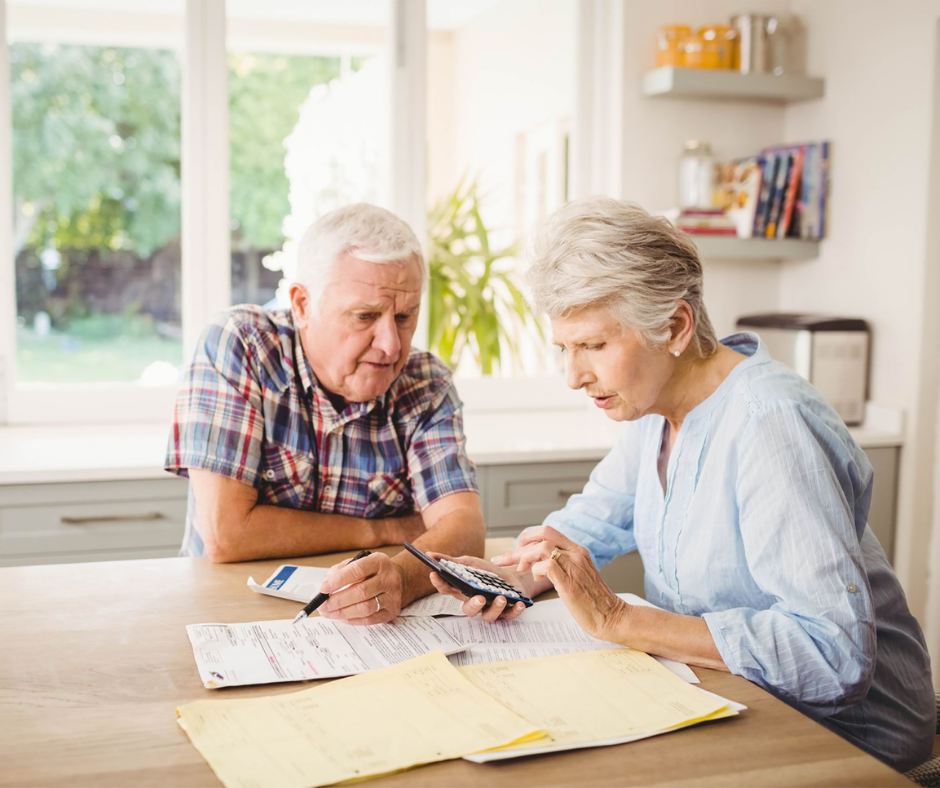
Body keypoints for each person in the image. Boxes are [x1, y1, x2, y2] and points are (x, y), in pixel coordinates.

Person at [429, 196, 935, 772]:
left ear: (674, 326)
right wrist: (508, 574)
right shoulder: (658, 411)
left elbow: (833, 657)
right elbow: (586, 523)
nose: (573, 376)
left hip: (848, 741)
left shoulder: (769, 425)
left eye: (594, 345)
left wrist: (620, 620)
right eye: (564, 349)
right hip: (729, 699)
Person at [166, 203, 484, 625]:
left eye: (405, 317)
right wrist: (385, 530)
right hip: (229, 614)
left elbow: (465, 530)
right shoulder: (241, 344)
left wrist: (402, 578)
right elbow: (226, 535)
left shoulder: (426, 382)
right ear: (301, 305)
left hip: (372, 623)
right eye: (365, 316)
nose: (391, 344)